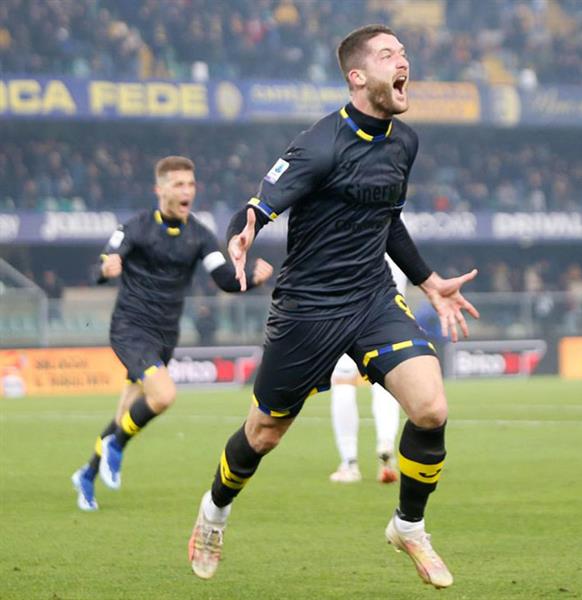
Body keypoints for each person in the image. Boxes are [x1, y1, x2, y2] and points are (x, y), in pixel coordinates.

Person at [187, 25, 479, 590]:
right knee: (265, 433)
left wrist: (428, 282)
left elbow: (386, 219)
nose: (405, 61)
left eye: (404, 53)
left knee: (430, 409)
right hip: (308, 309)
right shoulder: (319, 144)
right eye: (390, 54)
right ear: (357, 75)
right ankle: (215, 511)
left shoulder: (405, 142)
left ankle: (409, 526)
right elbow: (256, 207)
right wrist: (241, 235)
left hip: (372, 298)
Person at [70, 156, 274, 512]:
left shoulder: (198, 235)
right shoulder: (135, 227)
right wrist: (107, 267)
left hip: (165, 336)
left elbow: (224, 279)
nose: (187, 191)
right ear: (160, 189)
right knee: (163, 395)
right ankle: (115, 447)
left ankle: (87, 475)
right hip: (131, 330)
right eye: (178, 184)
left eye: (191, 185)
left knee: (125, 416)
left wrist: (250, 278)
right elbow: (105, 261)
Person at [329, 257, 406, 484]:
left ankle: (349, 462)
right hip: (387, 319)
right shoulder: (395, 229)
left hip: (347, 317)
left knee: (343, 383)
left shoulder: (346, 232)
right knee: (385, 381)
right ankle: (386, 443)